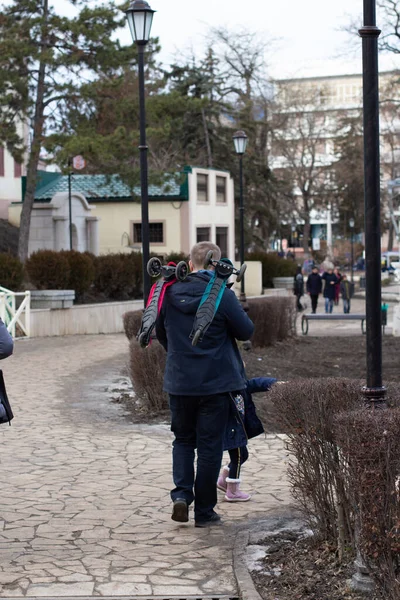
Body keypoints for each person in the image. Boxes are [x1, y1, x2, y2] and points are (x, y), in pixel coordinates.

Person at [155, 242, 254, 528]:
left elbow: (162, 333)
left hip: (179, 381)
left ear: (190, 261)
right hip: (215, 383)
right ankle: (205, 512)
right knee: (210, 447)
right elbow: (246, 330)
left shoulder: (169, 291)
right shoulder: (222, 294)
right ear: (217, 263)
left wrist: (181, 358)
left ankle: (182, 496)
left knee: (183, 440)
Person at [217, 376, 277, 502]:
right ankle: (232, 491)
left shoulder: (241, 385)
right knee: (238, 457)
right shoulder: (223, 389)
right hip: (230, 429)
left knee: (243, 455)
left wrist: (274, 383)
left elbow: (255, 383)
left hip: (237, 428)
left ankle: (223, 481)